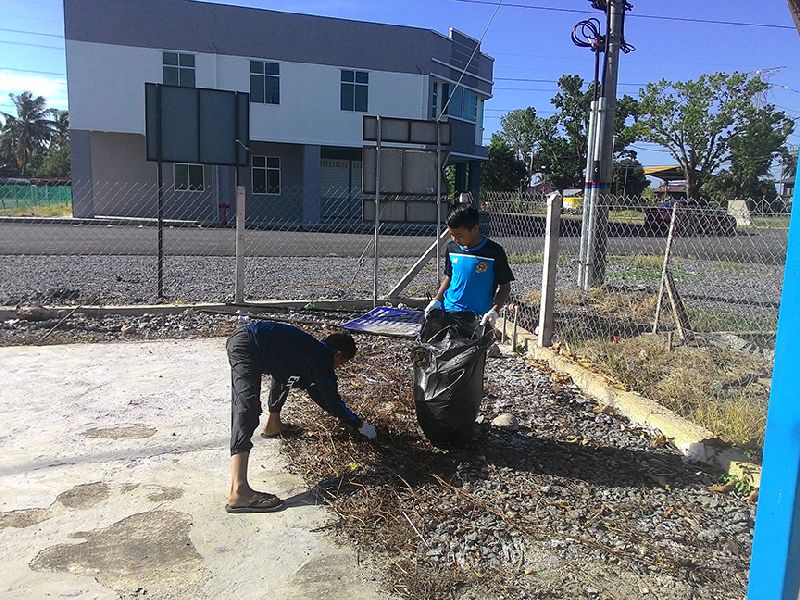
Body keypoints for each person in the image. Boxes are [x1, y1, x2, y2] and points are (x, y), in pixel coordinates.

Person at [226, 320, 376, 513]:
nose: (337, 368)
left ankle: (273, 425)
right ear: (338, 354)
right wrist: (359, 424)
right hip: (247, 345)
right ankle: (239, 491)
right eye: (341, 364)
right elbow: (331, 401)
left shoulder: (308, 350)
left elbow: (293, 383)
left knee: (284, 379)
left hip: (248, 340)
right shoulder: (321, 358)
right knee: (247, 409)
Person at [425, 203, 514, 326]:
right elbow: (449, 277)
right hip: (449, 310)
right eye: (451, 234)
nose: (455, 239)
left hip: (478, 318)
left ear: (475, 229)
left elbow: (505, 287)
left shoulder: (494, 252)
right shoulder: (452, 248)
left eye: (459, 235)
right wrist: (437, 300)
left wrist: (494, 311)